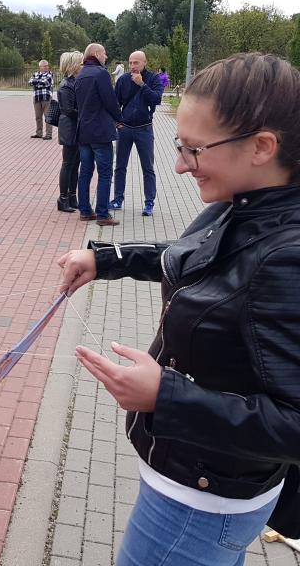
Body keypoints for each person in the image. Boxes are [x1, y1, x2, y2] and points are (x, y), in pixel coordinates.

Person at [58, 53, 300, 566]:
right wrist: (107, 259)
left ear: (262, 146)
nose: (178, 165)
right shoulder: (245, 204)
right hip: (203, 484)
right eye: (178, 145)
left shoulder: (287, 257)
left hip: (204, 501)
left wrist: (166, 396)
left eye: (194, 149)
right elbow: (196, 256)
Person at [110, 50, 164, 216]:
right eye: (131, 62)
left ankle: (149, 203)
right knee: (120, 166)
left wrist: (142, 84)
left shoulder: (153, 79)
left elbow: (156, 99)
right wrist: (116, 122)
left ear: (144, 63)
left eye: (136, 63)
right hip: (125, 129)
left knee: (148, 167)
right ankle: (118, 198)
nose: (133, 66)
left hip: (144, 128)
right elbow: (115, 103)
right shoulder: (123, 80)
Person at [75, 43, 121, 226]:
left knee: (85, 172)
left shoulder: (81, 74)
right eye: (104, 53)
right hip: (100, 132)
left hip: (83, 131)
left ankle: (85, 211)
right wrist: (120, 118)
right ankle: (103, 214)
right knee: (105, 172)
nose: (106, 56)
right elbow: (110, 101)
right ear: (95, 54)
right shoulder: (100, 74)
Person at [55, 50, 83, 212]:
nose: (83, 66)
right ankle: (63, 198)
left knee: (74, 165)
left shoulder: (74, 83)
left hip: (76, 127)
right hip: (69, 128)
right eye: (80, 63)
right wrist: (86, 112)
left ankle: (72, 196)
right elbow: (68, 110)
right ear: (73, 65)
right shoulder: (66, 85)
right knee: (67, 164)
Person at [28, 59, 54, 140]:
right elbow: (30, 82)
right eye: (45, 66)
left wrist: (36, 82)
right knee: (38, 117)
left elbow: (46, 82)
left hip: (46, 97)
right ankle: (39, 133)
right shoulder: (35, 74)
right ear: (40, 67)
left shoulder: (50, 74)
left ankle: (48, 135)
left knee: (48, 116)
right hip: (37, 97)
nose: (47, 67)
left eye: (47, 65)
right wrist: (39, 82)